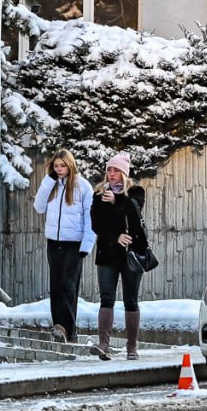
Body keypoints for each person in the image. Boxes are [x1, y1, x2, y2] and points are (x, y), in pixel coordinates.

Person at [89, 152, 149, 360]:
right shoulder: (99, 194)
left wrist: (117, 200)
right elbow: (96, 224)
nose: (112, 173)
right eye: (109, 170)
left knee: (131, 300)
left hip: (131, 254)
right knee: (106, 298)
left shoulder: (135, 193)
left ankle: (132, 347)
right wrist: (115, 237)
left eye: (116, 170)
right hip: (107, 253)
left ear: (124, 173)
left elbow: (134, 216)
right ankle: (103, 344)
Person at [32, 149, 95, 343]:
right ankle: (59, 327)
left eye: (63, 166)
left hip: (74, 243)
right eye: (56, 166)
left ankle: (67, 329)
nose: (59, 169)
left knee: (69, 284)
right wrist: (47, 182)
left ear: (70, 165)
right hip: (54, 242)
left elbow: (90, 218)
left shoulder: (83, 187)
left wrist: (87, 245)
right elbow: (39, 207)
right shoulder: (51, 185)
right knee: (56, 284)